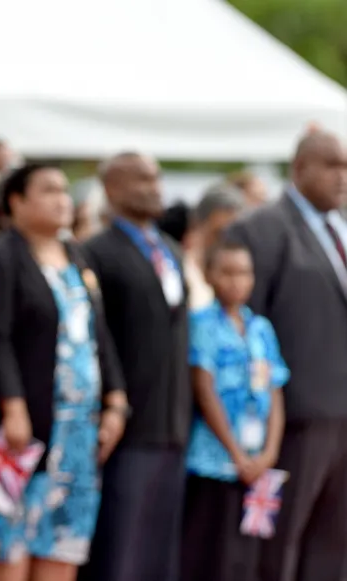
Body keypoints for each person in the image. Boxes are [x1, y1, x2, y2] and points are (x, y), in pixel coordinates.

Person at [0, 164, 127, 581]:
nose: (62, 199)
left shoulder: (76, 256)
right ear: (16, 201)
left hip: (77, 435)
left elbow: (97, 332)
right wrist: (13, 408)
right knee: (9, 550)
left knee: (61, 550)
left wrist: (116, 401)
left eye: (64, 190)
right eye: (49, 190)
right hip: (23, 433)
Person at [224, 130, 347, 581]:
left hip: (342, 415)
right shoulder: (260, 230)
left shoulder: (340, 228)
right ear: (299, 169)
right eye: (332, 165)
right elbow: (247, 326)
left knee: (333, 542)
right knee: (280, 544)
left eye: (346, 167)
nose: (342, 177)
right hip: (293, 417)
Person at [78, 152, 191, 581]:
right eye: (142, 179)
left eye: (156, 178)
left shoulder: (171, 250)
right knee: (119, 551)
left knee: (158, 554)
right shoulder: (96, 253)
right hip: (127, 428)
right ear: (112, 188)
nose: (154, 187)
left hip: (172, 425)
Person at [180, 240, 288, 581]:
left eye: (244, 273)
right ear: (209, 275)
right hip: (214, 461)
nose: (236, 281)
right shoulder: (203, 324)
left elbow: (275, 390)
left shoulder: (261, 328)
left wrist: (269, 452)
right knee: (208, 555)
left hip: (257, 465)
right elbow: (204, 389)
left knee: (244, 559)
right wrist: (236, 453)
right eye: (227, 272)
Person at [182, 185, 245, 310]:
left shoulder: (244, 276)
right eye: (219, 233)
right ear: (197, 226)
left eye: (235, 235)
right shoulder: (181, 269)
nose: (227, 243)